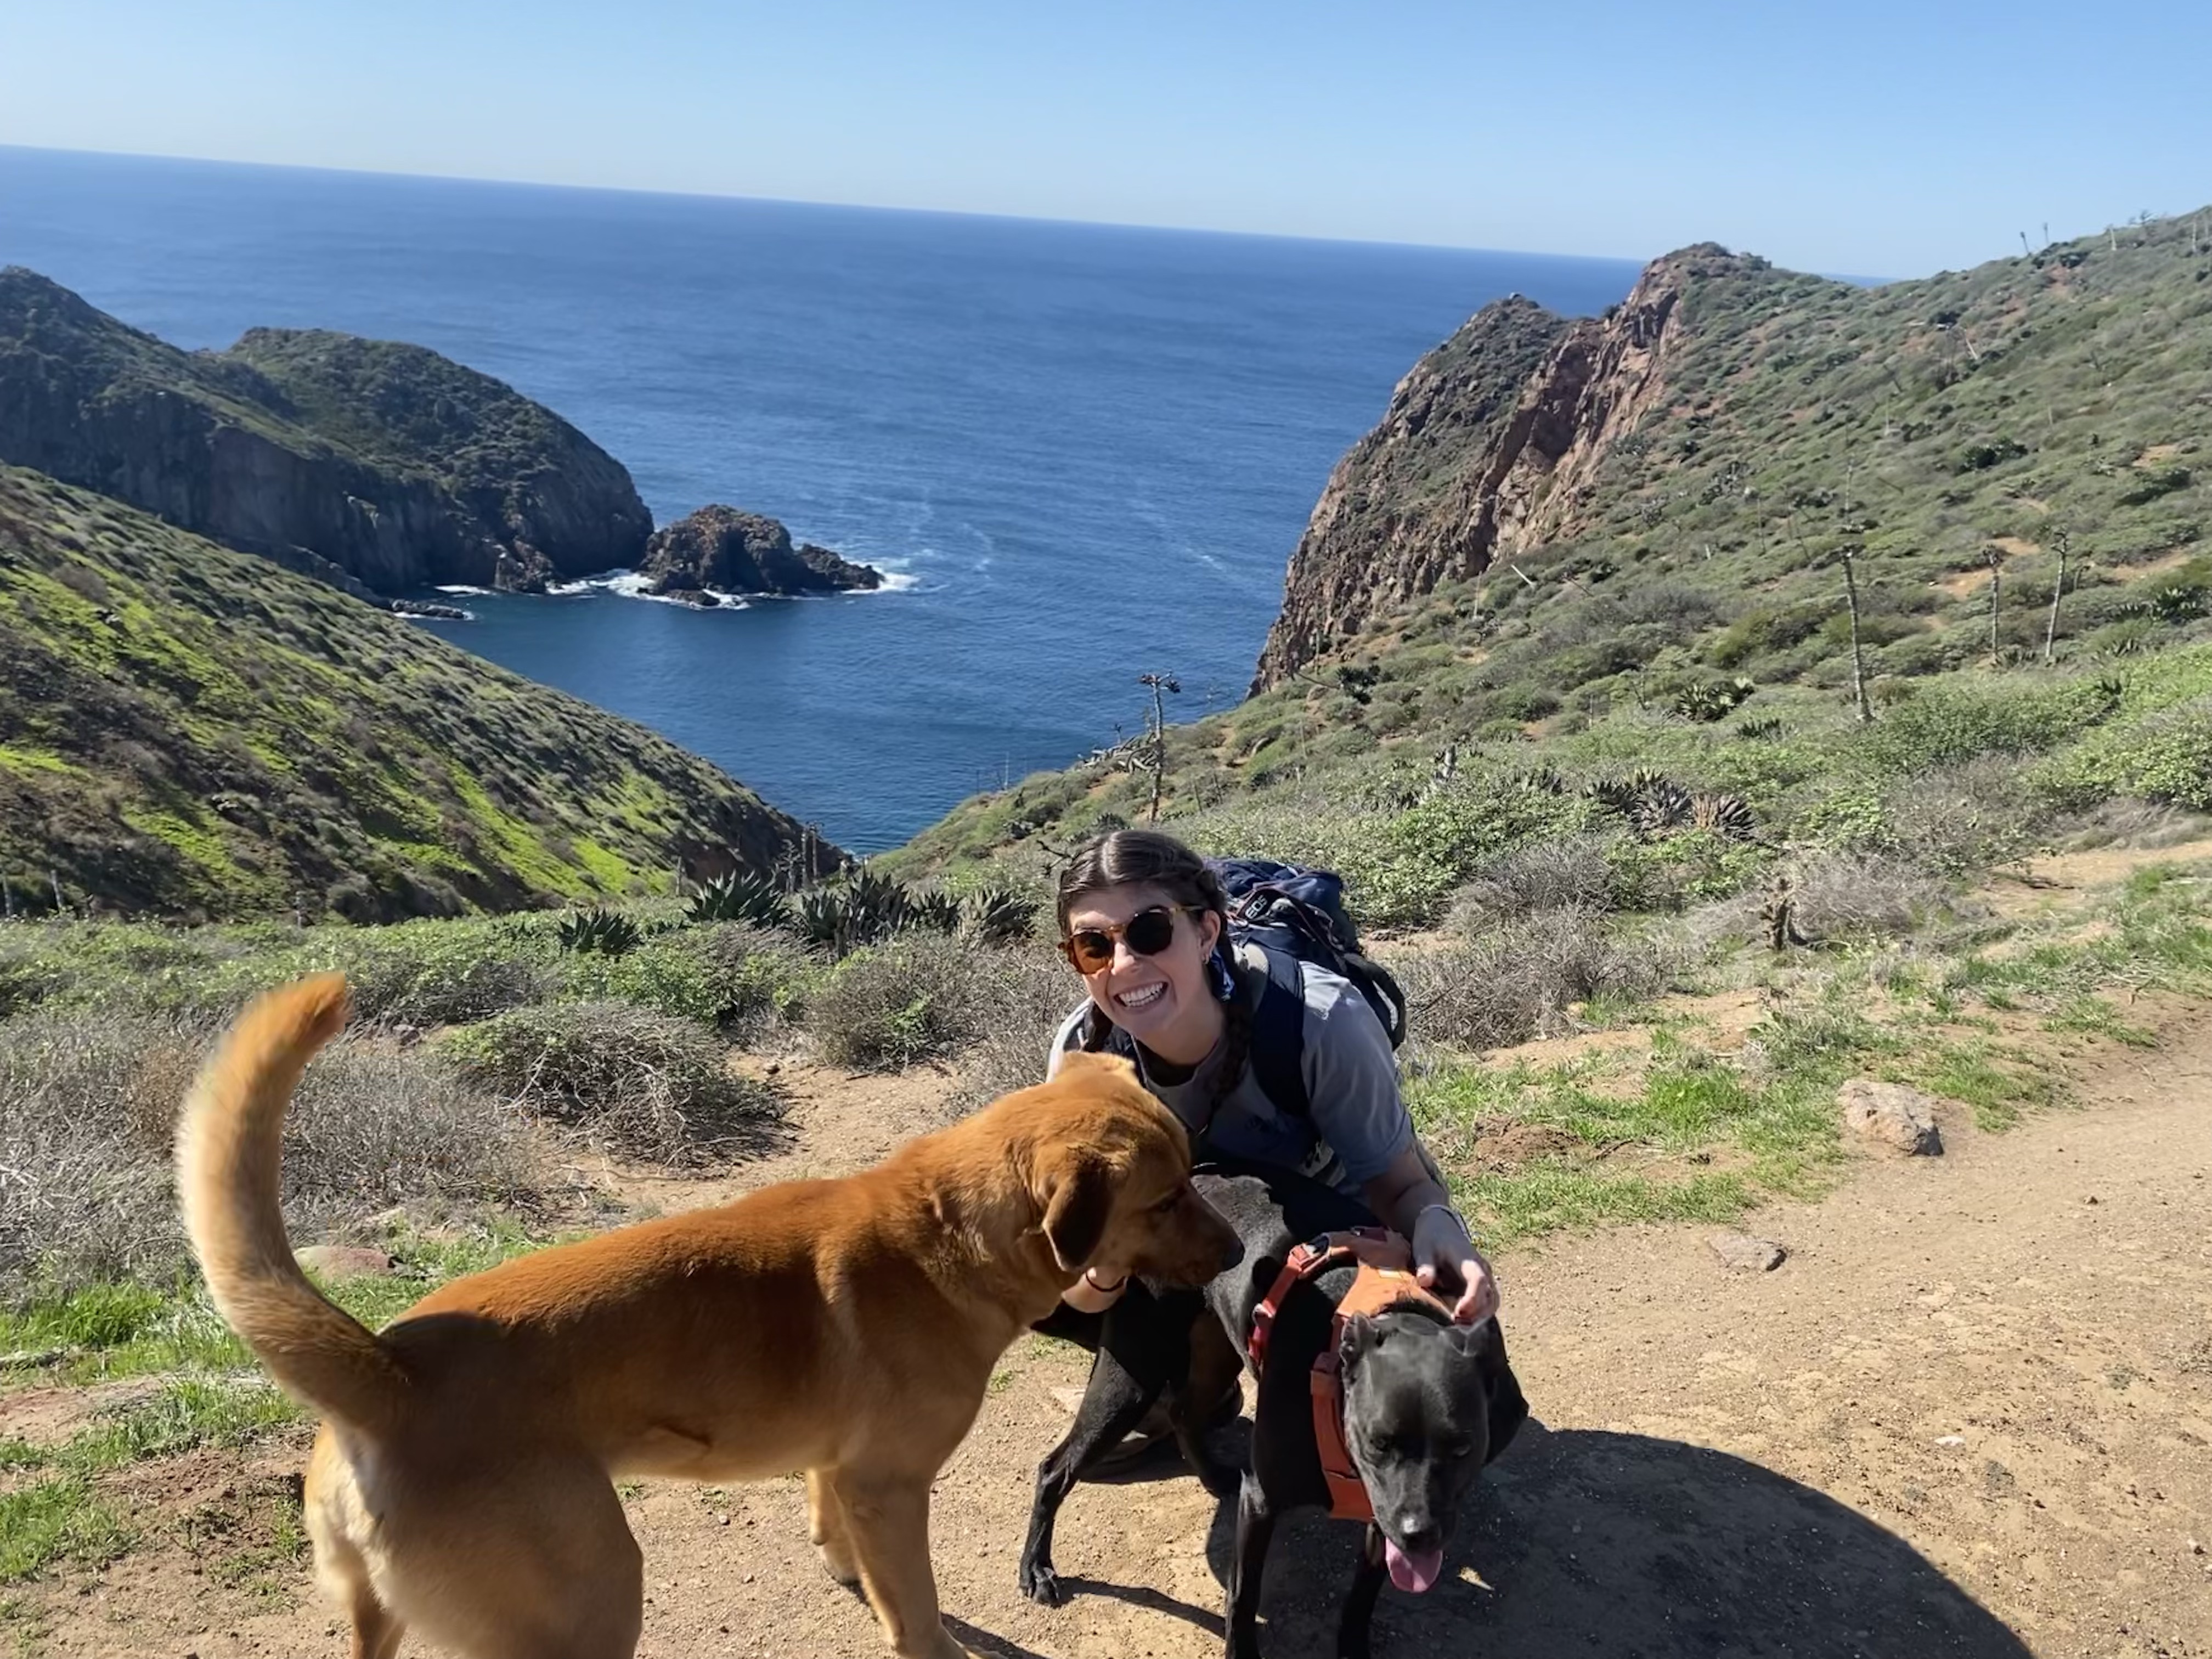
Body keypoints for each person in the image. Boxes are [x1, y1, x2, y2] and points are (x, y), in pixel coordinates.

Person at [1047, 828, 1498, 1325]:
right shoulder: (1082, 1058)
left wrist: (1437, 1226)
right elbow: (1081, 1294)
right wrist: (1106, 1267)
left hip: (1341, 1224)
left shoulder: (1319, 1020)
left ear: (1206, 933)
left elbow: (1401, 1188)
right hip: (1193, 1241)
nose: (1124, 964)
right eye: (1093, 946)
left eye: (1150, 931)